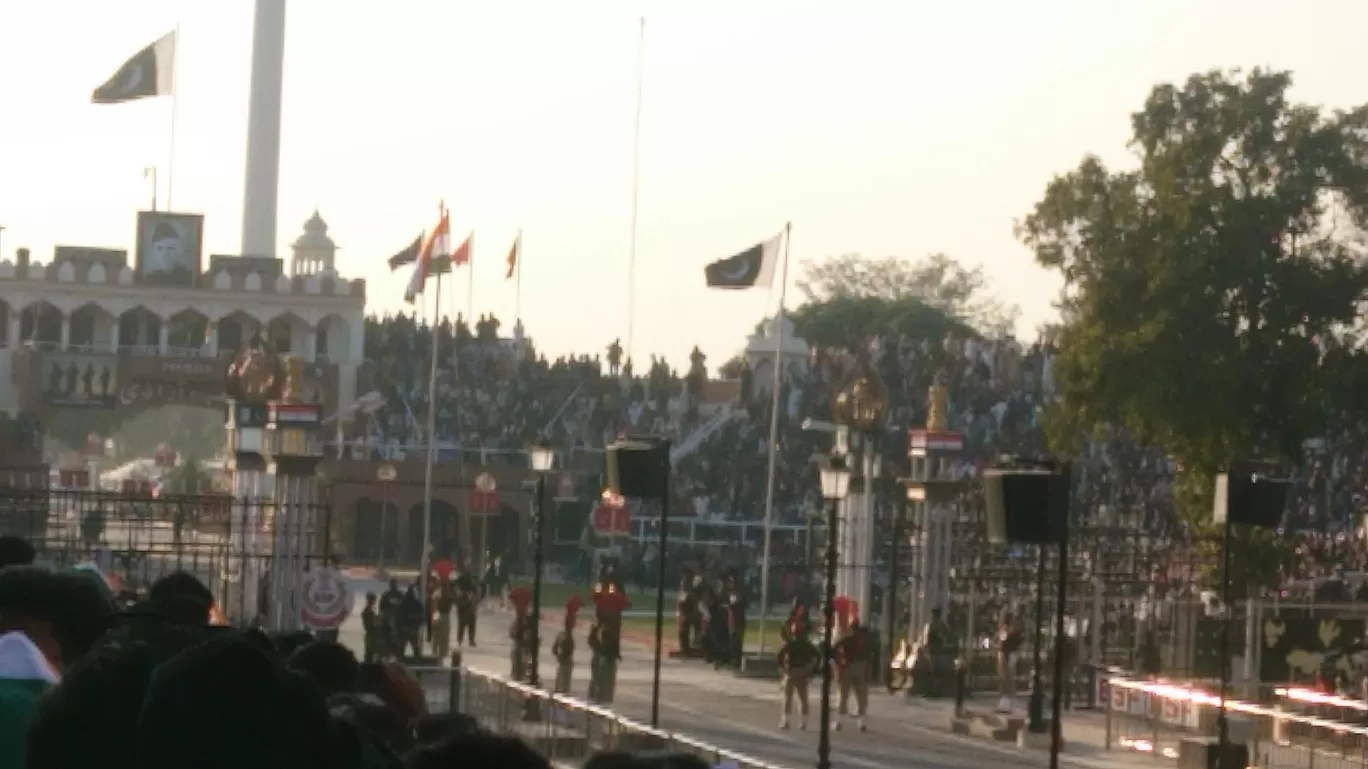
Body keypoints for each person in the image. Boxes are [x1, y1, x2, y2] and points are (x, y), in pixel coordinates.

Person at [832, 597, 871, 732]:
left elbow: (834, 648)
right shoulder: (864, 635)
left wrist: (834, 663)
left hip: (847, 665)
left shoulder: (845, 635)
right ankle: (862, 722)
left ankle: (839, 722)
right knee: (861, 695)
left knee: (843, 695)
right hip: (861, 665)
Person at [776, 618, 819, 730]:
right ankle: (803, 722)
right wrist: (813, 670)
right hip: (803, 672)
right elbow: (818, 656)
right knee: (803, 698)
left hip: (791, 672)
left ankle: (786, 721)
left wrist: (782, 667)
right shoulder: (807, 645)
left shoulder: (790, 644)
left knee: (787, 697)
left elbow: (779, 655)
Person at [553, 596, 582, 694]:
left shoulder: (560, 635)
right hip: (566, 662)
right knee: (564, 686)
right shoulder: (567, 637)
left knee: (560, 683)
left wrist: (559, 657)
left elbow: (554, 649)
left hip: (562, 662)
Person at [996, 609, 1023, 713]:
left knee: (1005, 679)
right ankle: (1007, 702)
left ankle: (1006, 703)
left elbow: (1003, 643)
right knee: (1008, 679)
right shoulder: (1011, 630)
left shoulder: (1006, 630)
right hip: (1010, 654)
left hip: (1006, 654)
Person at [507, 587, 532, 682]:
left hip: (522, 648)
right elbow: (512, 632)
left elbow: (514, 633)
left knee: (520, 670)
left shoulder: (524, 619)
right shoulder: (520, 618)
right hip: (520, 648)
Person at [454, 565, 479, 647]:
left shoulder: (472, 579)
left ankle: (471, 639)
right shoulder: (460, 579)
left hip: (469, 603)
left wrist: (474, 599)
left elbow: (476, 590)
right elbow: (456, 589)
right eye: (467, 568)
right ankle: (460, 639)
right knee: (462, 623)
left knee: (471, 622)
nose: (468, 570)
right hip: (463, 604)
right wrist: (461, 595)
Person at [432, 578, 453, 658]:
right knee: (440, 634)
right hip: (441, 613)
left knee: (440, 634)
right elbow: (434, 604)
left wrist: (434, 617)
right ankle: (440, 651)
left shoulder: (440, 593)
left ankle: (440, 651)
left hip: (440, 614)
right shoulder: (443, 593)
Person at [360, 592, 382, 662]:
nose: (373, 602)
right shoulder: (367, 611)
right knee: (370, 654)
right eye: (372, 600)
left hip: (373, 635)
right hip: (371, 635)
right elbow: (368, 625)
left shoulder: (369, 610)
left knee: (371, 654)